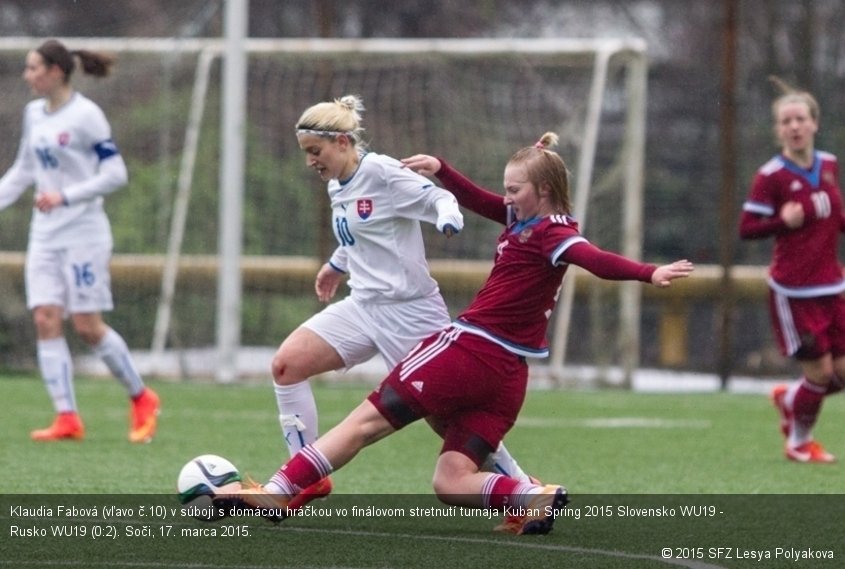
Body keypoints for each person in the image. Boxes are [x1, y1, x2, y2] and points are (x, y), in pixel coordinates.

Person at [226, 132, 693, 535]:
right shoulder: (524, 221)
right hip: (508, 377)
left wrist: (648, 273)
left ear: (545, 190)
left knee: (365, 423)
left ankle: (279, 489)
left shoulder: (553, 235)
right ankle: (529, 494)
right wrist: (442, 170)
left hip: (469, 350)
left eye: (515, 190)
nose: (505, 198)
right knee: (451, 481)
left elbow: (595, 258)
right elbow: (481, 200)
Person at [272, 94, 532, 510]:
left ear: (342, 142)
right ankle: (304, 480)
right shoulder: (338, 182)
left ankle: (521, 485)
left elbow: (436, 198)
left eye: (314, 152)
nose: (310, 162)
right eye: (306, 153)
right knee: (287, 365)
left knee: (446, 420)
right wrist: (336, 264)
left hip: (410, 312)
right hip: (362, 306)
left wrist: (449, 217)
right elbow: (361, 231)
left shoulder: (382, 171)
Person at [0, 39, 160, 443]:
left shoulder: (87, 116)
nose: (27, 75)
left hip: (83, 234)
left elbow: (116, 174)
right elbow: (23, 170)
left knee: (87, 326)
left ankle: (142, 397)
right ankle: (66, 416)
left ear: (56, 71)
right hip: (45, 234)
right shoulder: (34, 113)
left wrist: (66, 196)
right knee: (45, 318)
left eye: (34, 68)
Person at [739, 77, 844, 464]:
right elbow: (747, 229)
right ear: (778, 130)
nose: (794, 127)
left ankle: (789, 397)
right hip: (794, 290)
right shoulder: (771, 176)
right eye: (786, 122)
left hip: (831, 284)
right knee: (819, 373)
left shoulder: (829, 165)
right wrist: (784, 221)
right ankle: (799, 442)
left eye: (800, 119)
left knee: (840, 373)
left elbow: (833, 215)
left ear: (815, 123)